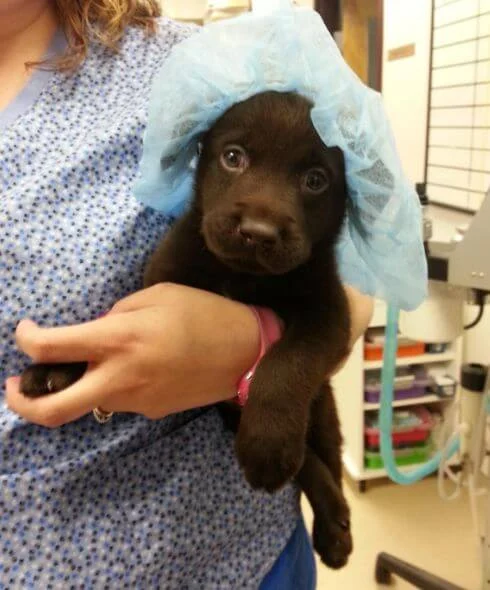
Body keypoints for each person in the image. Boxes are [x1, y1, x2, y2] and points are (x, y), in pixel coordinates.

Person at [0, 1, 374, 587]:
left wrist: (253, 351)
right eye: (234, 157)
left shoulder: (194, 64)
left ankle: (325, 486)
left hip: (225, 551)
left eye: (313, 179)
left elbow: (343, 308)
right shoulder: (188, 240)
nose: (261, 218)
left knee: (305, 402)